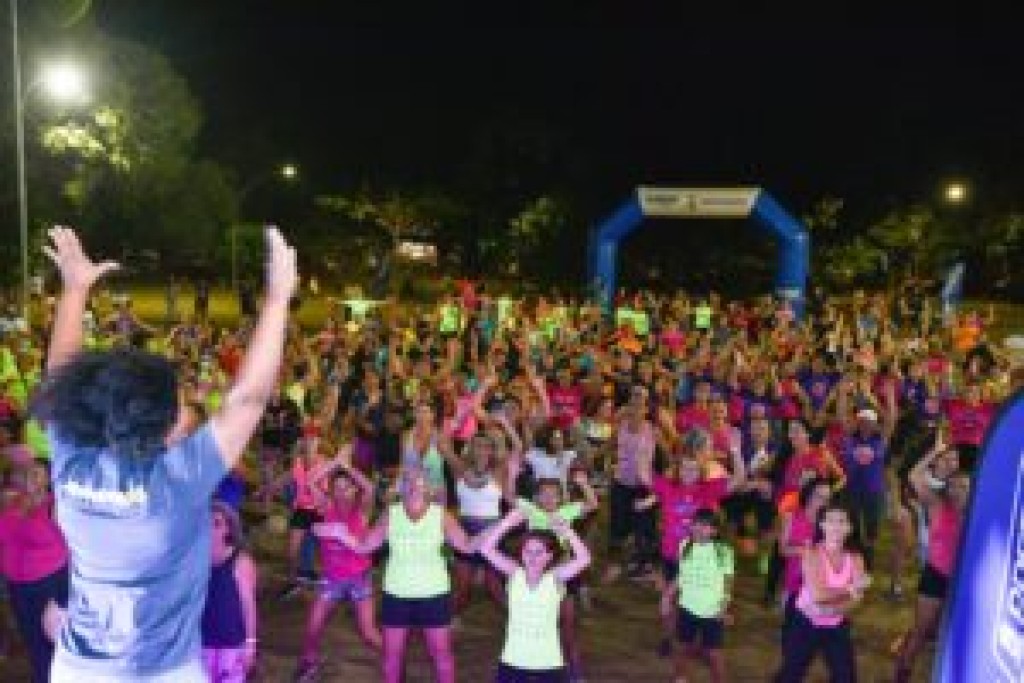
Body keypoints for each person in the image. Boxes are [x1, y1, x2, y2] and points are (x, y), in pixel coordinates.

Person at [34, 227, 296, 682]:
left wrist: (74, 290)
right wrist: (276, 300)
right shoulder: (177, 479)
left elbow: (61, 384)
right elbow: (248, 400)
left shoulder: (74, 461)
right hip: (163, 671)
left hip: (81, 668)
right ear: (162, 424)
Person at [320, 466, 478, 683]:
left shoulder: (441, 515)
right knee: (391, 656)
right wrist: (341, 535)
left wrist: (497, 528)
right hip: (396, 594)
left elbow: (467, 546)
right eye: (408, 481)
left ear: (428, 487)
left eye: (419, 481)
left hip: (434, 594)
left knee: (441, 654)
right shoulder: (391, 514)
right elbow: (365, 546)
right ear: (401, 487)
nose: (414, 486)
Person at [479, 507, 592, 683]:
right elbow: (486, 549)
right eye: (528, 551)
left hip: (549, 662)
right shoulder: (514, 572)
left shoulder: (556, 577)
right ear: (521, 553)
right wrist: (506, 523)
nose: (532, 557)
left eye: (539, 552)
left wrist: (567, 531)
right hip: (513, 659)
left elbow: (584, 559)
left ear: (549, 556)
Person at [297, 449, 382, 681]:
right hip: (332, 578)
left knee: (369, 633)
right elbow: (310, 481)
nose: (342, 492)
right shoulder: (326, 506)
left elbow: (370, 488)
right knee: (313, 626)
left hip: (359, 579)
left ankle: (393, 660)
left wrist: (348, 468)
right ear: (331, 490)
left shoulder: (362, 509)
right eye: (337, 487)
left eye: (347, 487)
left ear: (355, 489)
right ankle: (309, 664)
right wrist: (335, 462)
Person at [893, 438, 969, 682]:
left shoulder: (976, 514)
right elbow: (914, 476)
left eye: (964, 486)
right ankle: (902, 673)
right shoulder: (937, 505)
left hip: (962, 581)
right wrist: (934, 453)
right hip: (935, 576)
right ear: (947, 490)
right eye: (954, 486)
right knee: (921, 630)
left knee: (953, 634)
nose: (959, 491)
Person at [774, 500, 870, 683]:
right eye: (831, 520)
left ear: (850, 527)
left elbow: (858, 599)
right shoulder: (811, 553)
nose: (836, 526)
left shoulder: (856, 557)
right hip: (805, 623)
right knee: (790, 675)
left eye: (842, 521)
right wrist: (851, 588)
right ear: (822, 525)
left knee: (846, 678)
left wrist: (833, 610)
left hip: (836, 624)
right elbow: (819, 595)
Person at [0, 461, 69, 682]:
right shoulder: (10, 506)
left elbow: (57, 539)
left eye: (38, 475)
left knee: (54, 636)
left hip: (51, 580)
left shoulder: (54, 504)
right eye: (29, 476)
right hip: (19, 584)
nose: (35, 480)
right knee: (34, 638)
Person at [659, 508, 734, 683]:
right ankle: (680, 677)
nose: (698, 528)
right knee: (681, 646)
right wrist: (667, 595)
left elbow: (728, 580)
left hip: (712, 611)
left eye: (705, 526)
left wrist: (724, 606)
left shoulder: (723, 550)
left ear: (714, 531)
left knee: (714, 653)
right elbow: (682, 575)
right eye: (696, 524)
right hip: (687, 607)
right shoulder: (685, 545)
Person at [200, 502, 258, 683]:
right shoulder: (194, 561)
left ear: (228, 529)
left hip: (231, 644)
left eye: (216, 524)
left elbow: (249, 607)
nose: (210, 529)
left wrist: (250, 644)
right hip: (200, 642)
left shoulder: (240, 562)